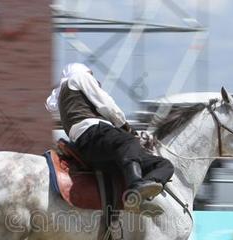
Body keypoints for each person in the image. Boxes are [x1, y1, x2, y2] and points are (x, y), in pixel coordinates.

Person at [46, 63, 174, 214]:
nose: (93, 78)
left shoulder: (61, 95)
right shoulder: (79, 77)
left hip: (88, 144)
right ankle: (135, 188)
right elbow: (107, 105)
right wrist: (126, 127)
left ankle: (142, 195)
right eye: (91, 74)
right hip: (93, 132)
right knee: (126, 141)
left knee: (164, 165)